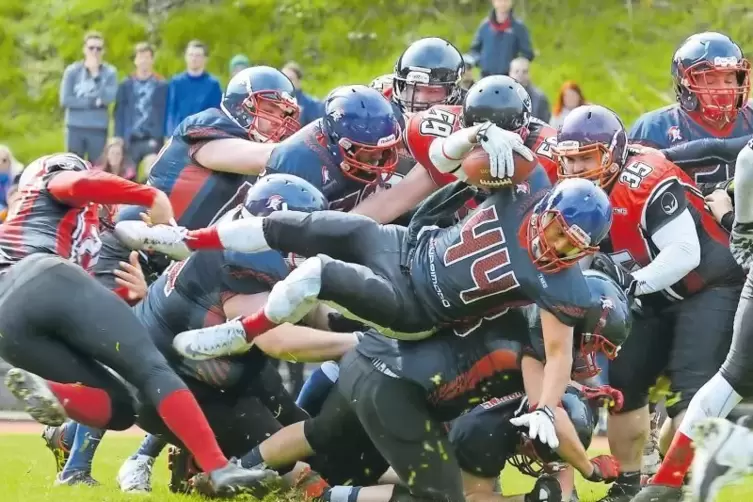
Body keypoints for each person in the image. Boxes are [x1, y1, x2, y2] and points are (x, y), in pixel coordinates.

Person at [0, 153, 278, 497]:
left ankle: (52, 394)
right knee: (152, 369)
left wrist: (126, 294)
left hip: (9, 324)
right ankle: (219, 468)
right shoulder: (52, 185)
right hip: (39, 273)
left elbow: (76, 311)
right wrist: (152, 196)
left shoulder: (37, 223)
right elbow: (74, 185)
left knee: (120, 406)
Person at [231, 268, 629, 502]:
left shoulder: (518, 299)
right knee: (440, 497)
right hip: (400, 388)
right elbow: (550, 411)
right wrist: (590, 469)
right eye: (590, 341)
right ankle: (323, 495)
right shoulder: (534, 344)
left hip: (373, 355)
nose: (588, 354)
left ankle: (233, 470)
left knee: (318, 434)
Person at [554, 105, 745, 502]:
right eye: (569, 159)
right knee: (625, 382)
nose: (575, 169)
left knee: (692, 390)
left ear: (613, 153)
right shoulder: (573, 194)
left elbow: (684, 253)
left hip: (710, 283)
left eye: (585, 158)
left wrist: (629, 283)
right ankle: (627, 484)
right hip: (651, 290)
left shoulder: (644, 179)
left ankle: (677, 480)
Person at [352, 75, 558, 227]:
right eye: (479, 140)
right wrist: (334, 230)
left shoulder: (548, 156)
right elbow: (391, 202)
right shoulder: (442, 131)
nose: (483, 151)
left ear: (521, 133)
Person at [629, 32, 753, 187]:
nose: (723, 89)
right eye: (710, 80)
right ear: (686, 85)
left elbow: (718, 148)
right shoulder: (654, 128)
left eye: (729, 80)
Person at [59, 31, 118, 161]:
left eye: (99, 48)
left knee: (97, 171)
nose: (95, 51)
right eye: (91, 48)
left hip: (98, 129)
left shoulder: (110, 72)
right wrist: (93, 103)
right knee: (73, 168)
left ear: (103, 51)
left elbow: (109, 98)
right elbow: (66, 100)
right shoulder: (72, 71)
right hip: (75, 127)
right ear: (84, 49)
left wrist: (96, 75)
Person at [114, 42, 168, 170]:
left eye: (147, 57)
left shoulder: (161, 85)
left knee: (152, 172)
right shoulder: (126, 84)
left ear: (152, 60)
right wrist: (118, 136)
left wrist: (165, 135)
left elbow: (166, 112)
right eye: (140, 57)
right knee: (128, 175)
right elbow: (119, 112)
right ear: (135, 60)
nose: (143, 61)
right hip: (131, 139)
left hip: (153, 138)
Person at [165, 40, 223, 135]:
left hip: (205, 136)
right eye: (191, 55)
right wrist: (170, 135)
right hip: (180, 135)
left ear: (205, 59)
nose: (194, 59)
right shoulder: (176, 83)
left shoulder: (213, 84)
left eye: (198, 56)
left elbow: (216, 114)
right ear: (186, 57)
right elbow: (171, 112)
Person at [468, 0, 534, 78]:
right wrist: (481, 62)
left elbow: (528, 54)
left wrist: (517, 64)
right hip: (486, 77)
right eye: (499, 0)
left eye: (505, 1)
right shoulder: (485, 26)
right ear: (493, 2)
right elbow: (473, 50)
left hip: (509, 78)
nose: (502, 3)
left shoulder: (518, 27)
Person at [281, 61, 324, 126]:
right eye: (283, 78)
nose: (286, 82)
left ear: (299, 82)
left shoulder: (312, 105)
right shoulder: (275, 102)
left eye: (290, 79)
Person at [509, 57, 551, 123]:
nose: (520, 75)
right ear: (510, 73)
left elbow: (544, 125)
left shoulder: (540, 98)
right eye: (516, 71)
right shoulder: (503, 97)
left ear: (529, 74)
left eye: (524, 72)